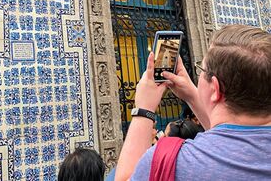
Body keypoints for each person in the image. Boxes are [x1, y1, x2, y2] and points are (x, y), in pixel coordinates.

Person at [115, 24, 271, 181]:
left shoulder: (171, 163)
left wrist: (144, 110)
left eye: (202, 70)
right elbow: (235, 139)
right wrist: (192, 96)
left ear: (215, 89)